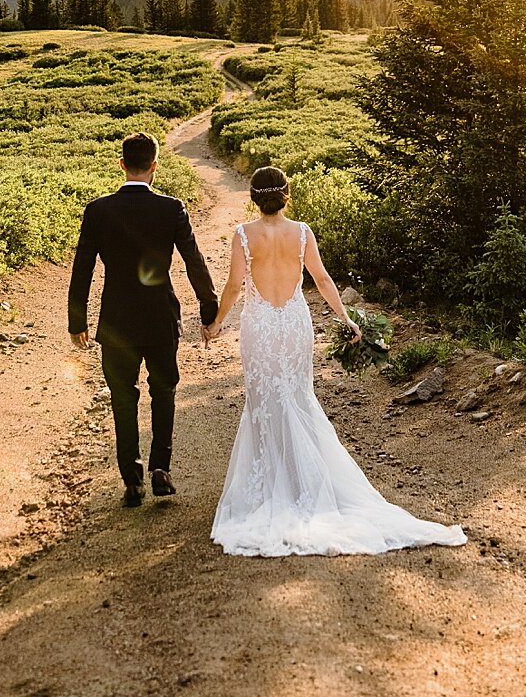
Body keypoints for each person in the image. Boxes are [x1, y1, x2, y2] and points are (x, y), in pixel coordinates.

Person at [205, 166, 467, 556]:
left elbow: (232, 286)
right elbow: (323, 280)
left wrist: (215, 323)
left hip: (260, 324)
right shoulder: (302, 233)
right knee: (297, 396)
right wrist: (346, 318)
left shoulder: (244, 234)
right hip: (293, 323)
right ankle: (303, 482)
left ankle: (272, 486)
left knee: (263, 402)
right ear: (287, 195)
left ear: (254, 198)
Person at [69, 132, 217, 507]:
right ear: (155, 166)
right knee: (163, 391)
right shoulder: (171, 208)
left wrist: (77, 320)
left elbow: (83, 267)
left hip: (116, 320)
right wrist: (208, 306)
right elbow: (194, 260)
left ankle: (131, 478)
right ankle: (160, 469)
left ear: (121, 164)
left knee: (123, 397)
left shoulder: (98, 210)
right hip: (160, 317)